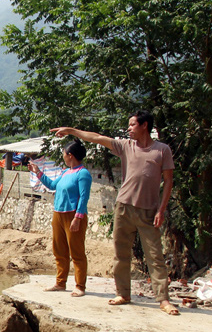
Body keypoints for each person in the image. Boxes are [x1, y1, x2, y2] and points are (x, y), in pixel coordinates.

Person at [50, 112, 180, 315]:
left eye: (132, 125)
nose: (128, 129)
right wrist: (72, 131)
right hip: (123, 207)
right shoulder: (126, 146)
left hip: (148, 210)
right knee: (121, 254)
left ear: (144, 125)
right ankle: (123, 294)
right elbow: (97, 138)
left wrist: (161, 210)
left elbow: (169, 181)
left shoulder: (162, 150)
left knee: (154, 256)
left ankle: (163, 299)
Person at [29, 141, 91, 297]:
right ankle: (60, 282)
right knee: (59, 250)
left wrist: (78, 217)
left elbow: (84, 197)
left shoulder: (82, 173)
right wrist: (38, 172)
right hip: (59, 214)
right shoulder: (65, 172)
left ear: (70, 155)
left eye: (64, 153)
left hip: (73, 215)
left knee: (76, 251)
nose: (63, 156)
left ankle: (80, 285)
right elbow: (52, 185)